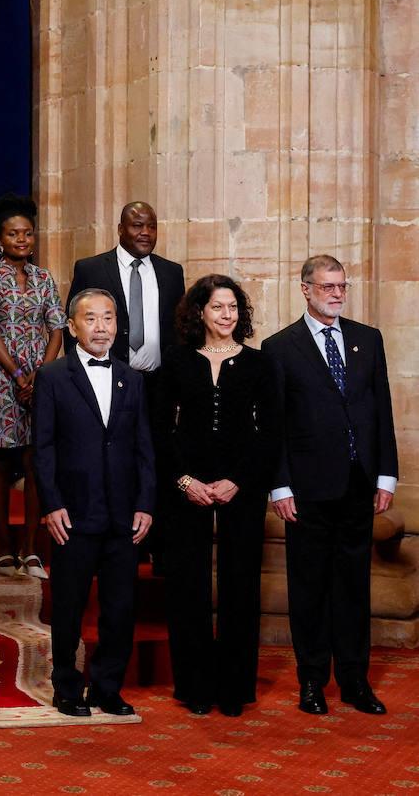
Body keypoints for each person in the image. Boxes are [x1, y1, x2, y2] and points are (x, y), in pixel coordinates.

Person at [264, 255, 398, 717]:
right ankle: (312, 682)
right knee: (309, 588)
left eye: (342, 286)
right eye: (328, 287)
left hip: (359, 484)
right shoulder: (279, 347)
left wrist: (386, 475)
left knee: (353, 588)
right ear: (305, 289)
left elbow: (382, 409)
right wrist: (279, 486)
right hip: (306, 490)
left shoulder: (368, 339)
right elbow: (274, 426)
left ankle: (355, 681)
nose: (337, 294)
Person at [157, 275, 277, 717]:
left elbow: (270, 433)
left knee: (240, 584)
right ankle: (194, 686)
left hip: (240, 486)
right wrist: (184, 481)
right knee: (186, 584)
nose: (227, 315)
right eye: (217, 307)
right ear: (199, 313)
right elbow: (159, 430)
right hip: (186, 486)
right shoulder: (176, 360)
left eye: (233, 307)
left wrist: (238, 480)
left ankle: (234, 688)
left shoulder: (259, 364)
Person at [34, 288, 155, 718]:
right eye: (91, 319)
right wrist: (51, 504)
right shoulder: (52, 377)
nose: (101, 327)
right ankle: (67, 687)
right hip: (73, 513)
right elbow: (43, 447)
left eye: (108, 318)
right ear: (72, 327)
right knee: (68, 606)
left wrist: (145, 503)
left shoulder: (132, 379)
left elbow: (144, 447)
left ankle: (107, 688)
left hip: (123, 516)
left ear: (117, 325)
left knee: (120, 608)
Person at [0, 194, 65, 580]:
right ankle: (3, 549)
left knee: (34, 459)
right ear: (0, 239)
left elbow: (57, 328)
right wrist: (17, 375)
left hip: (39, 380)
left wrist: (41, 375)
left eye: (27, 233)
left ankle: (30, 549)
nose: (22, 240)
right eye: (14, 234)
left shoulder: (44, 278)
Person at [65, 201, 185, 369]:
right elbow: (72, 326)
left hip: (161, 379)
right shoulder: (91, 270)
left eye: (152, 227)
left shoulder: (172, 272)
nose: (146, 233)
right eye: (137, 226)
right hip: (106, 375)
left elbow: (181, 327)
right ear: (120, 229)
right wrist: (76, 371)